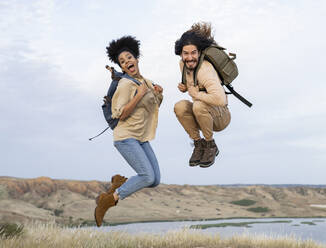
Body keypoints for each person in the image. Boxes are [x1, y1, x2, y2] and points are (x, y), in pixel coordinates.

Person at [94, 36, 163, 227]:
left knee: (155, 179)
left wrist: (158, 93)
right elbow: (120, 114)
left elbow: (153, 106)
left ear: (137, 59)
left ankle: (117, 184)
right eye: (122, 62)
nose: (127, 62)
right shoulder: (125, 85)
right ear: (122, 68)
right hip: (125, 138)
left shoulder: (145, 81)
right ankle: (107, 201)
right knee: (147, 176)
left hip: (141, 138)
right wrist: (139, 95)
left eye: (129, 58)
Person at [174, 22, 231, 168]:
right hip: (203, 116)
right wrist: (185, 87)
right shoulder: (182, 64)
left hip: (220, 117)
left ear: (199, 53)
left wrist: (196, 94)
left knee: (198, 105)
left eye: (193, 53)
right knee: (179, 107)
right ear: (181, 54)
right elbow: (193, 84)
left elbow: (221, 99)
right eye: (186, 53)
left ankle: (210, 145)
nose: (190, 57)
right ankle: (199, 144)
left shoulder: (205, 70)